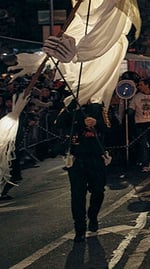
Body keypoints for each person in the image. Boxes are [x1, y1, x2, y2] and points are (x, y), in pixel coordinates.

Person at [55, 102, 110, 243]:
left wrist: (96, 123)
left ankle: (93, 215)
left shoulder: (98, 107)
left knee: (98, 191)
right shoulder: (70, 106)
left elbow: (109, 127)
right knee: (77, 195)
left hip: (95, 157)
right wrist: (71, 107)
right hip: (77, 158)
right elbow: (58, 123)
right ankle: (79, 228)